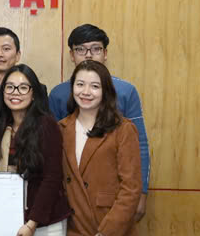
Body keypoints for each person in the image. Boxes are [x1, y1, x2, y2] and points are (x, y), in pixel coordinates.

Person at [49, 24, 151, 222]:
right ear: (71, 55)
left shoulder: (126, 91)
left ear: (105, 53)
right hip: (71, 198)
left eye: (95, 49)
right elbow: (52, 149)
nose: (88, 55)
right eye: (81, 49)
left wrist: (142, 192)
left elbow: (141, 146)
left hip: (113, 196)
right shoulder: (58, 94)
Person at [60, 60, 141, 236]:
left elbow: (131, 187)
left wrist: (111, 229)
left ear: (105, 91)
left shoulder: (123, 129)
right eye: (80, 84)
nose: (86, 92)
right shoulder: (61, 128)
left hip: (111, 234)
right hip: (73, 232)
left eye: (95, 86)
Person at [0, 64, 70, 236]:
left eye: (23, 87)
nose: (15, 92)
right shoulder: (0, 125)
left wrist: (32, 223)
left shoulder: (46, 125)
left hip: (44, 225)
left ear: (34, 94)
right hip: (7, 222)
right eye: (10, 87)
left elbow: (52, 178)